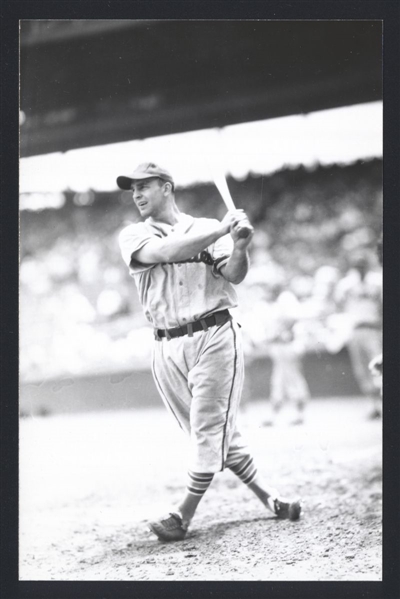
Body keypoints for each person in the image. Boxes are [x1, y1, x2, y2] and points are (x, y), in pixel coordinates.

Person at [117, 162, 301, 542]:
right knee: (217, 437)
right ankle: (272, 499)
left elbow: (234, 275)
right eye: (132, 189)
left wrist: (241, 245)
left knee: (207, 430)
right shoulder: (134, 235)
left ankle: (181, 516)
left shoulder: (204, 227)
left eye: (144, 186)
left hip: (214, 334)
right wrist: (222, 228)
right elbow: (166, 251)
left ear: (167, 187)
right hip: (165, 345)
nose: (136, 194)